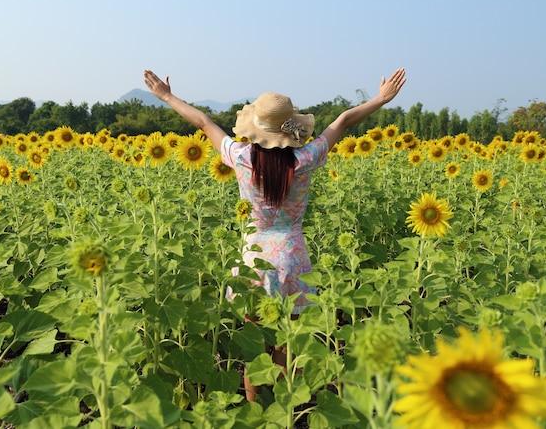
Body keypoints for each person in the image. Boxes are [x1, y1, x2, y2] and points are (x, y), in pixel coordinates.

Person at [143, 67, 406, 401]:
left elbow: (203, 122)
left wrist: (166, 96)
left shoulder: (241, 158)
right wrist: (380, 100)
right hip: (292, 255)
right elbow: (343, 122)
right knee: (287, 340)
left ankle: (255, 408)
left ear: (256, 130)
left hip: (254, 255)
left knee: (255, 343)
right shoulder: (306, 159)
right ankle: (283, 408)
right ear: (291, 131)